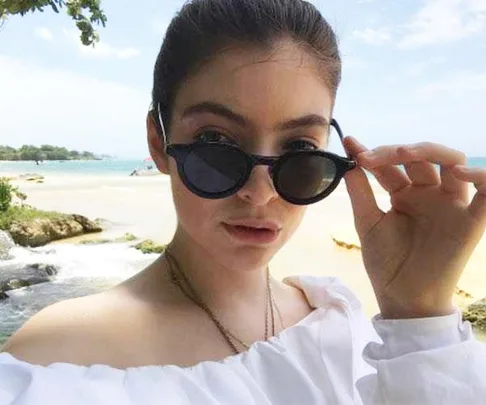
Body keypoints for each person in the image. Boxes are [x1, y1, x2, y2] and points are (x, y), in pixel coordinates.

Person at [1, 0, 486, 403]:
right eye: (216, 143)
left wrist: (419, 313)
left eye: (299, 150)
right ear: (158, 142)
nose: (261, 192)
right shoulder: (55, 360)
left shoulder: (337, 319)